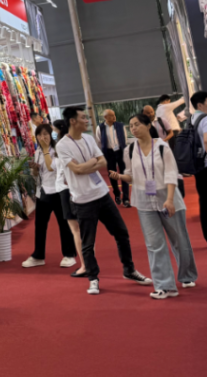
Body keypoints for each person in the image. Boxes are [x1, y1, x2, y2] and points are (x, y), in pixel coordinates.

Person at [55, 106, 152, 295]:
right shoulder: (62, 145)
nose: (87, 120)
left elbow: (103, 162)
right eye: (83, 118)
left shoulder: (89, 138)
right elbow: (77, 170)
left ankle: (129, 270)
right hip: (83, 200)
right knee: (88, 243)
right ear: (72, 121)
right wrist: (92, 163)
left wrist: (89, 164)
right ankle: (93, 278)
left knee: (122, 233)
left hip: (102, 194)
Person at [110, 113, 198, 298]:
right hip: (144, 201)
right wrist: (120, 177)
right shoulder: (130, 150)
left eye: (137, 124)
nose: (133, 128)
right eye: (131, 126)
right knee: (154, 244)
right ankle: (165, 286)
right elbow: (130, 175)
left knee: (179, 240)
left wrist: (170, 199)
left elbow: (171, 174)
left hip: (168, 198)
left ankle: (187, 275)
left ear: (148, 125)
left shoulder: (162, 147)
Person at [22, 124, 79, 270]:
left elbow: (51, 167)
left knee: (64, 224)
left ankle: (69, 255)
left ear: (50, 135)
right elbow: (40, 173)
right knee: (40, 225)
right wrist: (35, 169)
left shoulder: (57, 150)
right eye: (39, 135)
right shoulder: (38, 152)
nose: (42, 137)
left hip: (59, 191)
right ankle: (38, 256)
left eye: (45, 134)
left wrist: (46, 150)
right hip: (43, 192)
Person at [97, 109, 129, 207]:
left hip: (120, 151)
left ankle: (126, 198)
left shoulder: (120, 125)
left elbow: (125, 138)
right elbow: (99, 142)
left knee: (124, 173)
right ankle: (117, 194)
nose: (114, 117)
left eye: (114, 114)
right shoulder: (100, 127)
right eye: (111, 115)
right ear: (105, 117)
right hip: (108, 152)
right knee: (112, 174)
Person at [191, 91, 207, 245]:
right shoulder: (205, 119)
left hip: (197, 165)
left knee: (203, 200)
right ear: (200, 104)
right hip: (206, 164)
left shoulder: (192, 119)